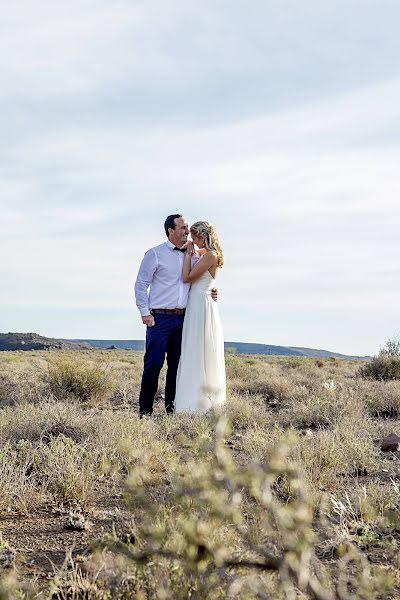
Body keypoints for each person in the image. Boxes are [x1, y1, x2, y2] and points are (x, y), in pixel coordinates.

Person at [134, 214, 217, 417]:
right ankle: (145, 412)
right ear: (170, 231)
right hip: (159, 318)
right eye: (183, 228)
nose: (187, 231)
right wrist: (145, 313)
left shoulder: (195, 253)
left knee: (177, 367)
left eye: (187, 227)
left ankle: (172, 411)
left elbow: (205, 276)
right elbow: (141, 284)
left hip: (185, 319)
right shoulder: (155, 254)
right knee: (153, 365)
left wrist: (213, 290)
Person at [174, 221, 226, 413]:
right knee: (194, 348)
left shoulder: (211, 255)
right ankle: (194, 399)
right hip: (197, 301)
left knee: (199, 348)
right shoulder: (206, 254)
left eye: (195, 237)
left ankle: (198, 404)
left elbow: (187, 277)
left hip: (200, 304)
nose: (193, 241)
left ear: (203, 235)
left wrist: (188, 254)